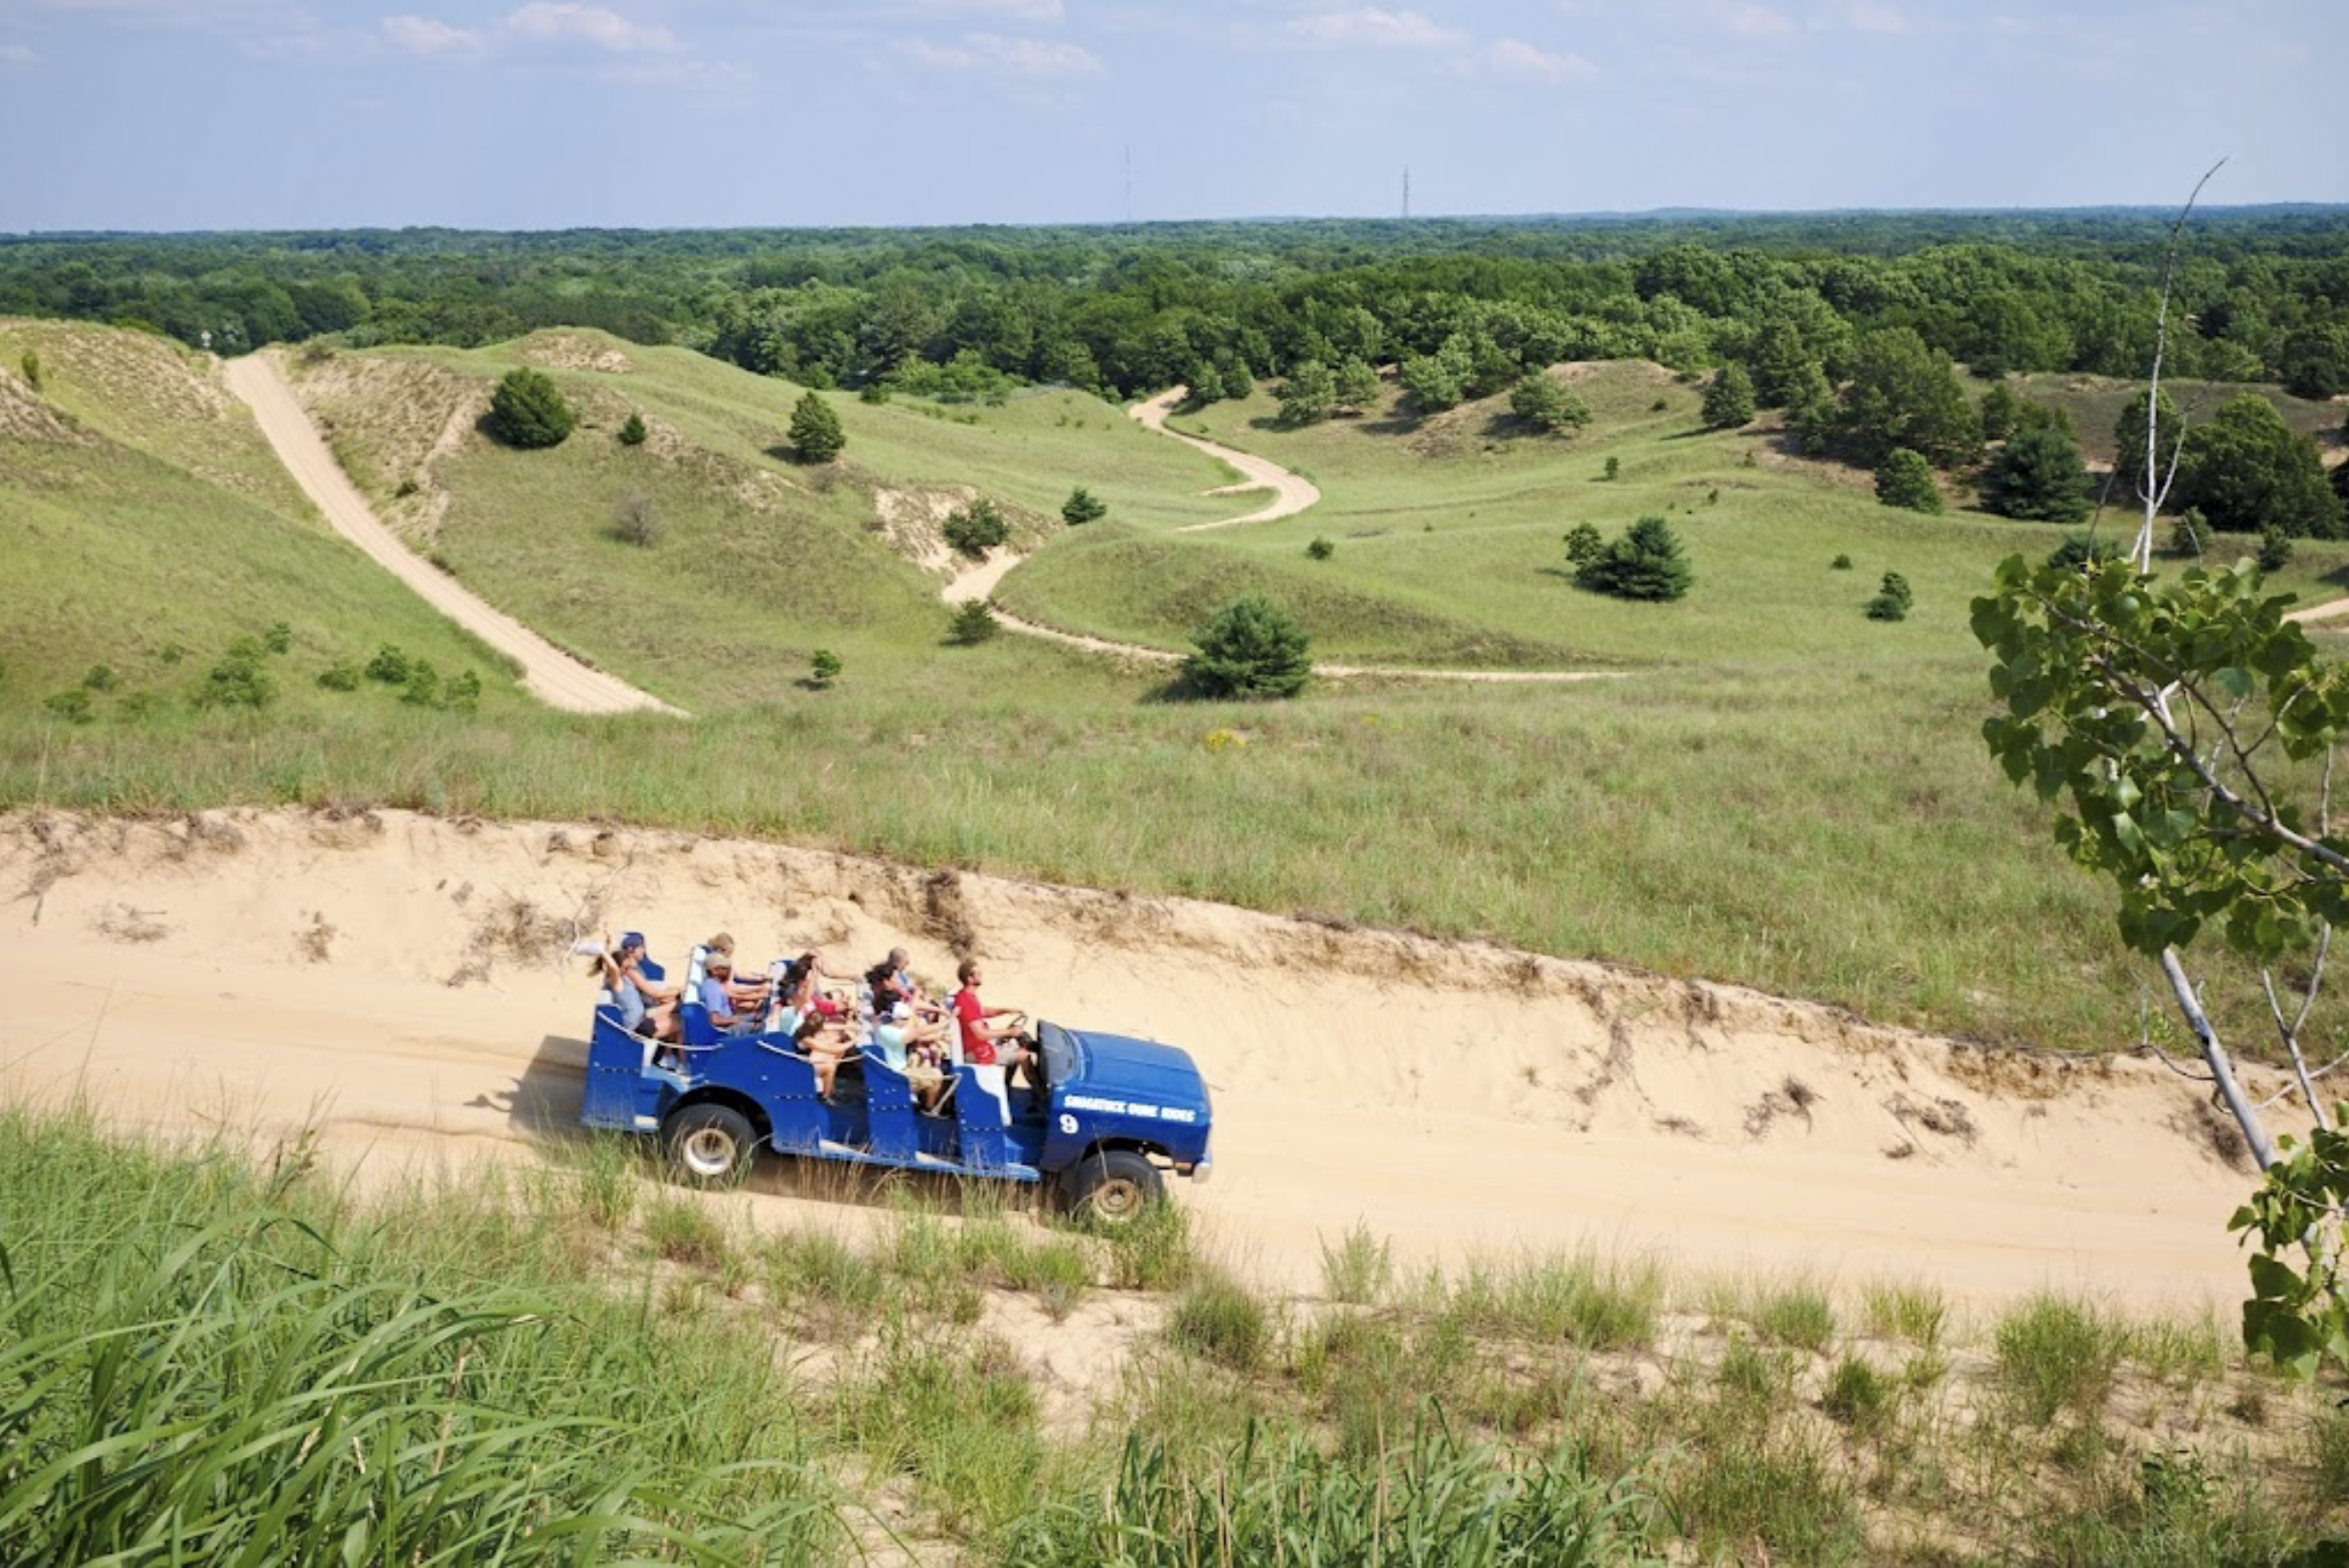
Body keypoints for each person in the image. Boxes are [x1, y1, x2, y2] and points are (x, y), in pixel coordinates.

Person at [949, 958, 1028, 1127]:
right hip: (975, 1052)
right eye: (978, 973)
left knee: (1016, 1045)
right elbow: (981, 1033)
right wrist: (1009, 1032)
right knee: (1024, 1055)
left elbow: (981, 1011)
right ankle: (1039, 1096)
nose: (981, 975)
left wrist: (1005, 1010)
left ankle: (1007, 1086)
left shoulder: (967, 997)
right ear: (970, 978)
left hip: (978, 1046)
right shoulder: (966, 1001)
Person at [872, 998, 950, 1112]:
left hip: (900, 1068)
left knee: (920, 1059)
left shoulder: (891, 1027)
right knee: (936, 1075)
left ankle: (920, 1102)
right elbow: (917, 1032)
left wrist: (941, 1011)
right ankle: (928, 1109)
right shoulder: (886, 1031)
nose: (907, 1022)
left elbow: (915, 1004)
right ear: (896, 1018)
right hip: (895, 1074)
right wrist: (945, 1023)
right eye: (905, 1019)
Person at [698, 954, 762, 1037]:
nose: (729, 971)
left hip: (729, 1021)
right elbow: (715, 1020)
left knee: (760, 1016)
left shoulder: (715, 984)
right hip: (725, 1030)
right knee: (760, 1027)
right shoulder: (712, 989)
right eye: (724, 968)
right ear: (714, 971)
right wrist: (734, 1020)